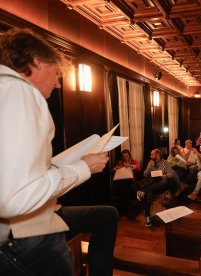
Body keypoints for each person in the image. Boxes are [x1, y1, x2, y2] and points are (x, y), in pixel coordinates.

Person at [0, 28, 118, 276]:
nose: (58, 83)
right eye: (56, 72)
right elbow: (15, 197)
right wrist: (83, 167)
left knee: (106, 215)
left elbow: (13, 174)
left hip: (22, 227)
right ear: (37, 61)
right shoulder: (18, 90)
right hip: (23, 237)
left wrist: (60, 165)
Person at [136, 149, 184, 227]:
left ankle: (143, 191)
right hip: (152, 184)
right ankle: (147, 217)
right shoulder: (151, 162)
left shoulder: (165, 162)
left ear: (157, 154)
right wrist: (149, 166)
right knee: (149, 194)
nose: (150, 156)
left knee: (164, 181)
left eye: (152, 154)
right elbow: (144, 174)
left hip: (162, 185)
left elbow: (171, 173)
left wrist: (166, 175)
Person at [112, 149, 141, 217]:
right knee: (121, 185)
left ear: (129, 156)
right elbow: (113, 170)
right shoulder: (120, 162)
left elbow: (138, 168)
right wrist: (116, 168)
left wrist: (130, 166)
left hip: (131, 181)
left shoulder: (133, 161)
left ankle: (123, 210)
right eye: (124, 156)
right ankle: (124, 209)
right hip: (122, 181)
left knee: (124, 186)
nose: (125, 158)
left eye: (127, 156)